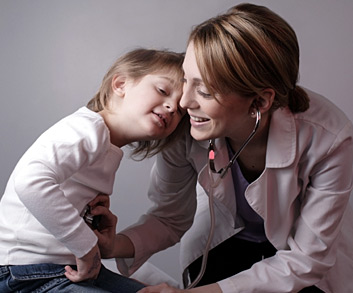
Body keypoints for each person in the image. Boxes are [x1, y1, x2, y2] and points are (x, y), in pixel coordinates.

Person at [92, 3, 353, 293]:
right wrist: (112, 245)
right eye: (185, 80)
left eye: (204, 91)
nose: (183, 102)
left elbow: (306, 259)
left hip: (300, 263)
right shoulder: (186, 126)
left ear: (260, 101)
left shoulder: (330, 138)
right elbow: (168, 218)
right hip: (222, 245)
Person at [0, 48, 187, 292]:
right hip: (27, 269)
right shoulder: (88, 130)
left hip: (63, 267)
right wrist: (86, 246)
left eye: (181, 109)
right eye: (163, 91)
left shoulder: (107, 144)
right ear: (120, 84)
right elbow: (30, 181)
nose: (172, 107)